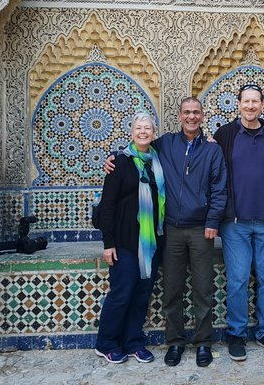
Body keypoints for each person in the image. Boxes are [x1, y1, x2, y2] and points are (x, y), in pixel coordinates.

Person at [105, 97, 227, 367]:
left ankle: (204, 343)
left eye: (196, 112)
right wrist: (112, 156)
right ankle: (175, 343)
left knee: (203, 289)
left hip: (200, 230)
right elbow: (138, 146)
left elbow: (219, 189)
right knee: (172, 289)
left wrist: (212, 221)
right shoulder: (166, 144)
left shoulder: (212, 150)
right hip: (170, 230)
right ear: (180, 116)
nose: (191, 117)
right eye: (187, 112)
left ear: (202, 116)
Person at [214, 83, 264, 361]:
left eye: (255, 101)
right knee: (237, 280)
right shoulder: (225, 134)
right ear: (239, 104)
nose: (251, 106)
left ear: (262, 104)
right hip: (235, 223)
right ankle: (236, 334)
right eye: (246, 101)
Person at [94, 112, 165, 364]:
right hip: (124, 243)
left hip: (150, 243)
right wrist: (108, 243)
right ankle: (107, 343)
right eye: (139, 128)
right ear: (132, 132)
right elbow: (107, 205)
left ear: (154, 133)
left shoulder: (157, 161)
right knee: (122, 293)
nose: (143, 132)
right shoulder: (120, 161)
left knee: (141, 295)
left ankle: (133, 341)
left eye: (148, 128)